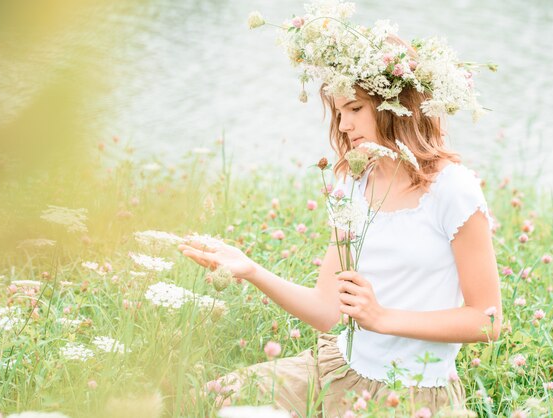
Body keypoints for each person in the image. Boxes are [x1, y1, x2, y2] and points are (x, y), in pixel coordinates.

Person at [179, 2, 502, 416]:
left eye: (354, 109)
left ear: (395, 107)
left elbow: (487, 320)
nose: (344, 125)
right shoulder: (353, 180)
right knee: (207, 399)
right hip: (338, 369)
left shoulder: (453, 189)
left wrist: (383, 317)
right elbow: (329, 312)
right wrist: (252, 270)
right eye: (338, 112)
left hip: (413, 394)